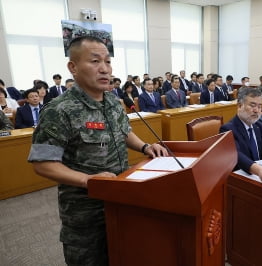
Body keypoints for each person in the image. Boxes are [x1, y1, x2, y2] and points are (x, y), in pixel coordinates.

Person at [27, 36, 167, 266]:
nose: (104, 69)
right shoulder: (59, 110)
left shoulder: (112, 101)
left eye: (108, 62)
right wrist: (87, 180)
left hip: (122, 201)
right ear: (73, 67)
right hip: (86, 213)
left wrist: (145, 146)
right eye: (94, 61)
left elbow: (123, 132)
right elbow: (42, 163)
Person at [220, 87, 262, 184]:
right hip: (240, 178)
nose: (256, 110)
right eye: (252, 105)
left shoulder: (259, 125)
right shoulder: (228, 129)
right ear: (240, 106)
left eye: (260, 106)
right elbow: (236, 155)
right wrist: (259, 170)